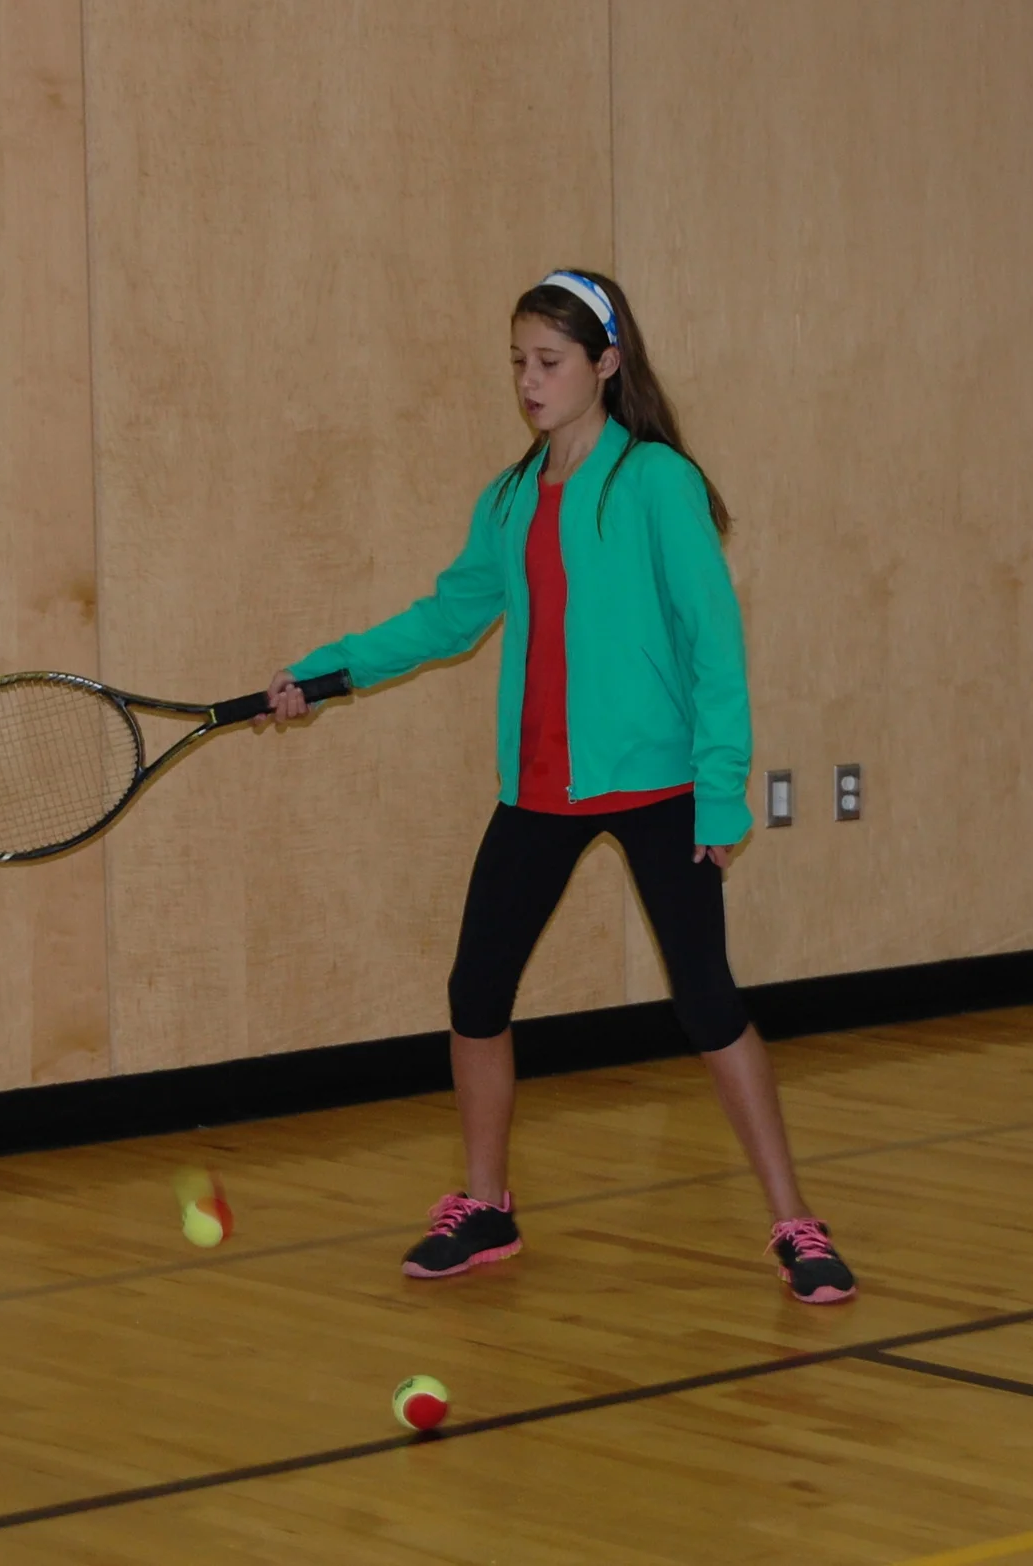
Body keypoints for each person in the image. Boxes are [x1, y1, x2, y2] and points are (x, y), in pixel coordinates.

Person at [261, 269, 856, 1304]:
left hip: (658, 787)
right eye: (518, 364)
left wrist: (720, 794)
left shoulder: (657, 483)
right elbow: (447, 620)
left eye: (549, 363)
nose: (528, 383)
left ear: (605, 365)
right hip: (536, 790)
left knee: (708, 1004)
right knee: (475, 997)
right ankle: (485, 1208)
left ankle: (794, 1225)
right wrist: (326, 670)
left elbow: (714, 648)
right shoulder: (507, 498)